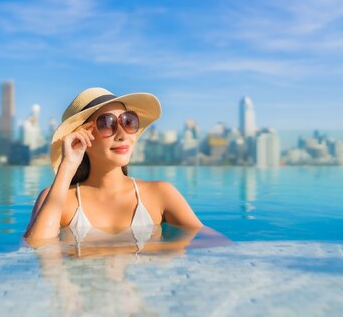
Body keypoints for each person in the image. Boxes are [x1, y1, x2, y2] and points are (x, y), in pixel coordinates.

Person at [23, 87, 227, 250]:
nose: (122, 134)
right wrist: (67, 167)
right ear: (82, 137)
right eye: (107, 123)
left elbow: (216, 243)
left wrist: (125, 251)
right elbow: (37, 247)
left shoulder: (160, 194)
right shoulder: (56, 198)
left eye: (128, 122)